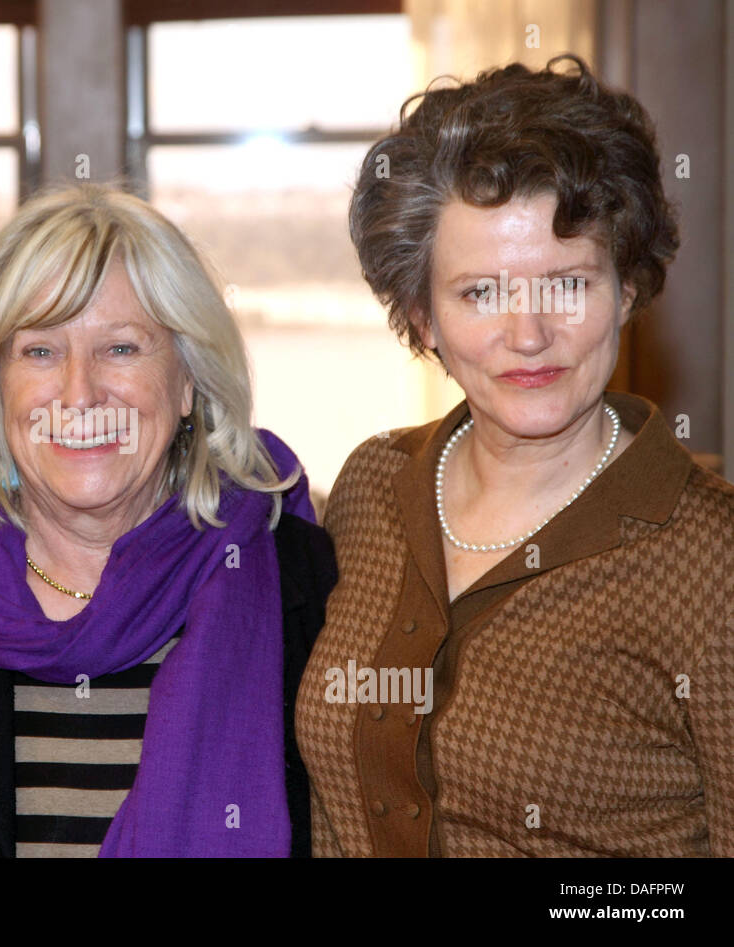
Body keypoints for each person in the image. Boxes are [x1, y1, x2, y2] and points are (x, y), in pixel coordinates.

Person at [297, 55, 734, 856]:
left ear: (627, 289)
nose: (527, 334)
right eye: (480, 292)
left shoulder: (711, 561)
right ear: (421, 315)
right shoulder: (372, 487)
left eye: (567, 283)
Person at [0, 183, 336, 857]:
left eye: (122, 348)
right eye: (40, 351)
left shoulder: (309, 588)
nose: (79, 393)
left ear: (188, 380)